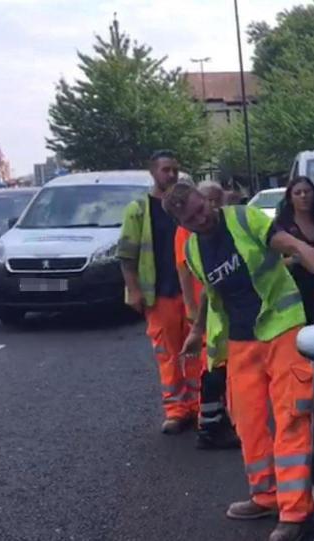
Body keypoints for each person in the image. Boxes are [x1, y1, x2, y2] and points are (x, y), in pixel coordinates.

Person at [163, 183, 314, 541]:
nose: (203, 218)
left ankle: (295, 512)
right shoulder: (193, 248)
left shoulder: (246, 219)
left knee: (290, 417)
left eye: (203, 208)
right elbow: (210, 291)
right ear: (181, 223)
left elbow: (295, 246)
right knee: (246, 422)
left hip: (281, 328)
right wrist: (197, 331)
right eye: (193, 218)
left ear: (207, 200)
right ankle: (265, 496)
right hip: (241, 341)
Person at [119, 150, 201, 435]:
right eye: (166, 170)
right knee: (169, 353)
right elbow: (127, 255)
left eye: (175, 170)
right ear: (152, 172)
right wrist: (134, 290)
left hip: (191, 290)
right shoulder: (139, 209)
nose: (171, 175)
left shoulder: (184, 207)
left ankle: (201, 406)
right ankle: (176, 409)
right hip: (161, 293)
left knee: (197, 351)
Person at [174, 180, 239, 450]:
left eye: (216, 200)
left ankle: (216, 421)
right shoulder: (189, 232)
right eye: (208, 199)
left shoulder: (221, 225)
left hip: (218, 307)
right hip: (209, 310)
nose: (211, 206)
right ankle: (210, 426)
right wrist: (192, 313)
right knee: (212, 370)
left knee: (219, 369)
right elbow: (184, 269)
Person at [274, 176, 314, 324]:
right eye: (298, 193)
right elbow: (272, 263)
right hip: (293, 291)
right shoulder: (281, 226)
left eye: (307, 192)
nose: (303, 196)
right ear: (290, 198)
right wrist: (298, 258)